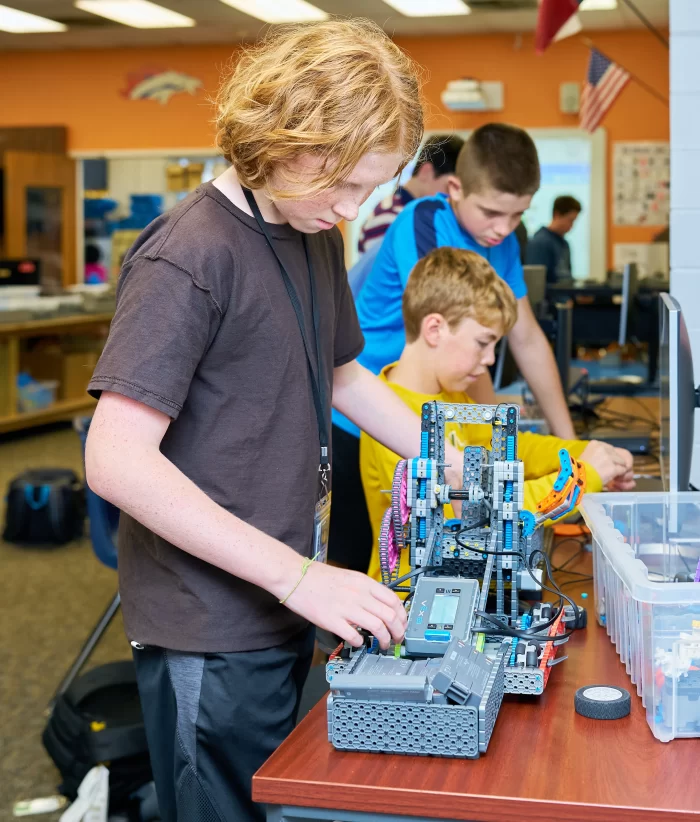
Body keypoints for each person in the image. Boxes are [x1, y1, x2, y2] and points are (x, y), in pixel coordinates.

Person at [83, 20, 465, 822]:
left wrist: (447, 452)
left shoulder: (308, 226)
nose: (354, 209)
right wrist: (298, 576)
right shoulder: (186, 257)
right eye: (346, 185)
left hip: (285, 588)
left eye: (370, 187)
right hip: (210, 621)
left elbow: (341, 373)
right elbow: (116, 460)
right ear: (284, 139)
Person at [359, 247, 635, 584]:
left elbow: (512, 448)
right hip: (408, 605)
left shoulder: (448, 396)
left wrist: (585, 453)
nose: (490, 359)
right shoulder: (390, 421)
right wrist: (585, 475)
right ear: (435, 329)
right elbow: (473, 528)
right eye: (482, 342)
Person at [349, 123, 577, 441]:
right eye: (491, 212)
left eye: (517, 216)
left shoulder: (504, 245)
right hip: (364, 409)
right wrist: (498, 440)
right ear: (455, 188)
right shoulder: (423, 221)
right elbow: (456, 339)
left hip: (429, 412)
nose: (503, 229)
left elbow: (527, 339)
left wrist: (570, 443)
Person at [357, 133, 464, 255]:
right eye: (451, 186)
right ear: (426, 171)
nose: (454, 197)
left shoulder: (422, 215)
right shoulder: (388, 216)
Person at [526, 195, 582, 284]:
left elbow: (567, 278)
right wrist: (563, 298)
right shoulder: (539, 243)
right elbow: (536, 284)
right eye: (570, 220)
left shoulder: (564, 244)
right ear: (557, 214)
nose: (572, 226)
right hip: (552, 297)